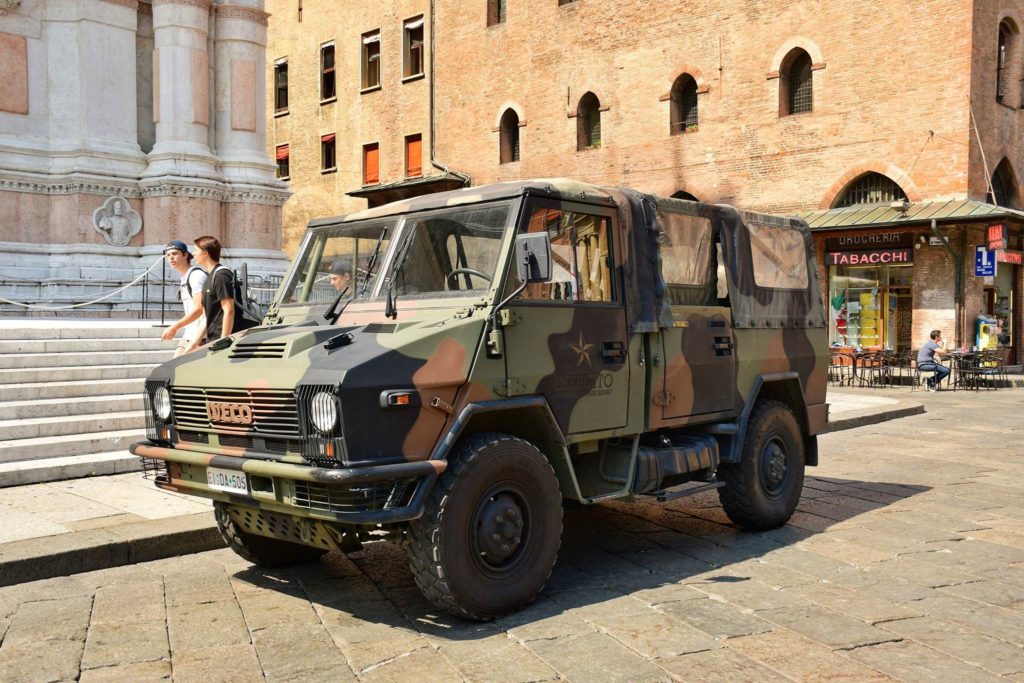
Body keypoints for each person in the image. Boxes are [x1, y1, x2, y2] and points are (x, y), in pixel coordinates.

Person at [161, 236, 236, 352]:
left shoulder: (218, 275)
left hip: (213, 339)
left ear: (205, 253)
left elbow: (228, 310)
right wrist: (192, 344)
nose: (194, 254)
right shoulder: (209, 277)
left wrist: (223, 343)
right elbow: (207, 313)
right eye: (168, 255)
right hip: (201, 337)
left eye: (196, 250)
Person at [160, 240, 207, 357]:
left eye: (175, 254)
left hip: (202, 337)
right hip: (189, 335)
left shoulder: (196, 276)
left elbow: (199, 309)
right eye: (168, 255)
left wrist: (174, 327)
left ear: (185, 254)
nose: (171, 258)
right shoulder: (184, 277)